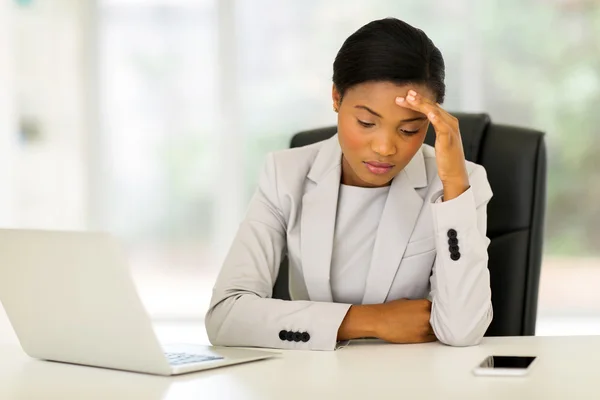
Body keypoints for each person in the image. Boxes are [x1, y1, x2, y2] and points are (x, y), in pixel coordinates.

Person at [205, 17, 493, 350]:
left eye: (409, 130)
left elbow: (462, 331)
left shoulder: (461, 183)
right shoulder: (284, 174)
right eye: (367, 122)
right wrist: (368, 320)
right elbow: (225, 316)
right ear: (336, 98)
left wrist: (455, 185)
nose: (385, 148)